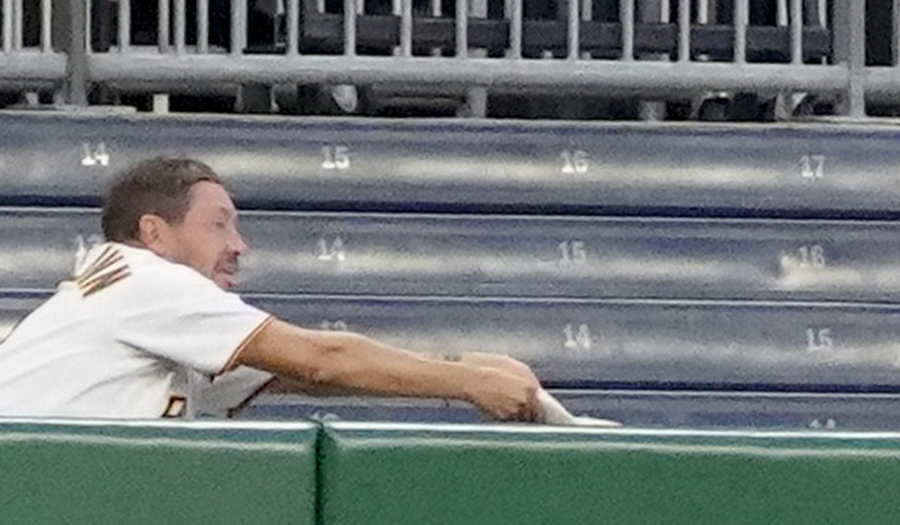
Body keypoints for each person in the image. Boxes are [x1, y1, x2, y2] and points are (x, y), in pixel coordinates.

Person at [0, 155, 571, 423]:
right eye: (218, 223)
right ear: (155, 232)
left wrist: (466, 364)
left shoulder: (146, 304)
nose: (239, 245)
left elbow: (300, 376)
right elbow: (322, 358)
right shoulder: (143, 277)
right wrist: (470, 381)